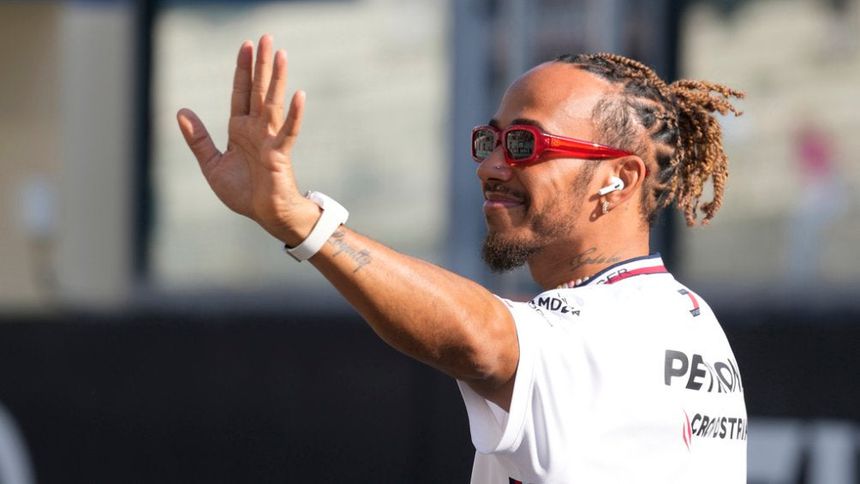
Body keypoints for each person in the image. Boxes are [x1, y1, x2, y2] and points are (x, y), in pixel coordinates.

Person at [177, 35, 746, 484]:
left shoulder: (620, 325)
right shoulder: (685, 319)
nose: (491, 166)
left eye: (525, 145)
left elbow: (482, 339)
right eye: (490, 141)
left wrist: (303, 221)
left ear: (618, 178)